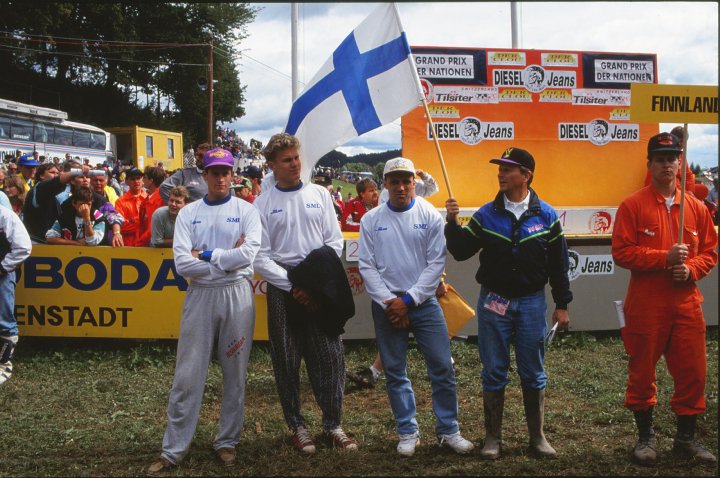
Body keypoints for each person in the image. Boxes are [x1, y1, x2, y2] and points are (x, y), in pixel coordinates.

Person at [445, 147, 572, 459]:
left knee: (534, 372)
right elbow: (461, 251)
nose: (500, 173)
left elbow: (559, 264)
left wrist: (562, 303)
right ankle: (492, 439)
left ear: (526, 175)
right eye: (499, 169)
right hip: (494, 303)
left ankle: (538, 438)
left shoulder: (547, 215)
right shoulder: (486, 214)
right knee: (493, 370)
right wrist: (451, 222)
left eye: (507, 169)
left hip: (531, 304)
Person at [147, 148, 262, 474]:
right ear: (205, 174)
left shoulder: (246, 211)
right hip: (199, 295)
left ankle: (227, 442)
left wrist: (207, 256)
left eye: (226, 172)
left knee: (234, 373)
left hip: (236, 296)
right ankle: (173, 449)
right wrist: (228, 259)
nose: (221, 178)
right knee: (187, 374)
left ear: (233, 175)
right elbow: (183, 263)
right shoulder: (188, 213)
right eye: (215, 172)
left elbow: (249, 255)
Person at [611, 132, 718, 466]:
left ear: (679, 163)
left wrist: (691, 270)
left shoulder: (696, 207)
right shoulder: (632, 205)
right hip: (646, 304)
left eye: (672, 159)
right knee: (642, 372)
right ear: (650, 164)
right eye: (660, 159)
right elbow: (622, 252)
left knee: (693, 373)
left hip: (686, 303)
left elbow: (710, 251)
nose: (667, 165)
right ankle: (646, 437)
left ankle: (685, 438)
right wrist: (664, 258)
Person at [358, 157, 473, 457]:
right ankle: (408, 431)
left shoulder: (430, 215)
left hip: (422, 303)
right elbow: (367, 267)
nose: (401, 187)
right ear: (385, 184)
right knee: (395, 371)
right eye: (394, 181)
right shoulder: (371, 220)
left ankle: (449, 431)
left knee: (442, 366)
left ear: (414, 182)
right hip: (387, 305)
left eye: (406, 180)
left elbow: (436, 263)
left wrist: (407, 301)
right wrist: (391, 302)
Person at [253, 133, 357, 454]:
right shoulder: (262, 204)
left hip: (319, 287)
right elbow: (260, 255)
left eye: (296, 158)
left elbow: (333, 241)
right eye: (286, 160)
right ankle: (297, 426)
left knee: (330, 357)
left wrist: (312, 285)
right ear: (272, 166)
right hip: (284, 290)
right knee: (286, 360)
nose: (295, 164)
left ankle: (333, 425)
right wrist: (293, 286)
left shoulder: (321, 195)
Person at [0, 203, 32, 385]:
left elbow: (23, 247)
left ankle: (4, 364)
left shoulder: (5, 216)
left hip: (2, 275)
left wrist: (2, 268)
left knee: (4, 320)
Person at [22, 161, 91, 244]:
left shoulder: (52, 195)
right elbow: (57, 181)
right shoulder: (40, 188)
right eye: (52, 172)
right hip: (37, 243)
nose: (56, 175)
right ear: (41, 176)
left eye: (57, 173)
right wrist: (78, 171)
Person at [114, 167, 147, 246]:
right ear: (126, 182)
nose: (136, 181)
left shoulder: (148, 199)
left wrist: (132, 221)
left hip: (146, 245)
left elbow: (151, 225)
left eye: (138, 178)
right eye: (132, 179)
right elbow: (121, 226)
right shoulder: (120, 202)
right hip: (128, 246)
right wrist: (141, 222)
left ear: (142, 181)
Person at [137, 166, 166, 247]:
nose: (142, 180)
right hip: (147, 242)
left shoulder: (158, 200)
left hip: (151, 245)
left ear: (151, 180)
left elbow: (152, 228)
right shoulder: (150, 198)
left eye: (145, 178)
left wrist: (138, 244)